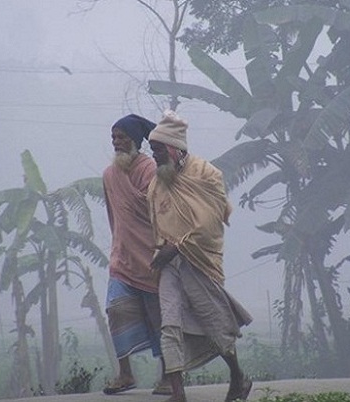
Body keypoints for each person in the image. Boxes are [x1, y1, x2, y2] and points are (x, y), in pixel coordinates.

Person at [146, 110, 254, 402]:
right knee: (169, 324)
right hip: (170, 265)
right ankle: (178, 393)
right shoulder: (157, 184)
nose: (153, 155)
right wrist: (162, 251)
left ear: (175, 148)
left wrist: (177, 246)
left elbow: (209, 222)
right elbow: (156, 222)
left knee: (215, 324)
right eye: (152, 149)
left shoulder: (206, 173)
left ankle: (237, 376)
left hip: (199, 262)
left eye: (157, 149)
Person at [101, 114, 171, 396]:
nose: (117, 142)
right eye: (114, 138)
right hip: (122, 260)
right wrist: (120, 244)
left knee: (160, 321)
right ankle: (125, 374)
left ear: (135, 141)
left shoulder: (149, 170)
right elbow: (114, 216)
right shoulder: (108, 175)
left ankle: (169, 377)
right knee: (116, 311)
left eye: (122, 137)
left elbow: (161, 213)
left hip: (151, 260)